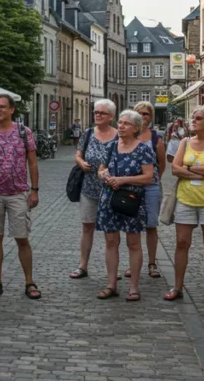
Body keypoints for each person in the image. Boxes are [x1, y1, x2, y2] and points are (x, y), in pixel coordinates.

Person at [0, 95, 41, 300]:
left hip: (18, 193)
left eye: (2, 107)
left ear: (12, 110)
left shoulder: (24, 132)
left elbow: (32, 163)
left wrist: (35, 190)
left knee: (22, 238)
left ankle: (29, 282)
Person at [165, 105, 204, 303]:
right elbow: (175, 168)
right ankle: (177, 286)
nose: (193, 121)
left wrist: (188, 169)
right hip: (186, 198)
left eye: (198, 118)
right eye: (193, 117)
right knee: (182, 242)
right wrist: (200, 170)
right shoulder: (185, 142)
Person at [95, 110, 156, 302]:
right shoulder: (111, 146)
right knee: (111, 242)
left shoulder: (143, 149)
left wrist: (122, 180)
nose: (120, 126)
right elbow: (101, 169)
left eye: (126, 124)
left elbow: (148, 177)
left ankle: (134, 287)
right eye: (120, 122)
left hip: (132, 200)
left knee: (133, 243)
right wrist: (105, 176)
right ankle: (111, 284)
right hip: (109, 198)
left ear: (136, 128)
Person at [69, 99, 118, 279]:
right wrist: (81, 163)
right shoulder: (88, 133)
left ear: (111, 117)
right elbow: (78, 154)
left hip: (111, 189)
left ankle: (112, 270)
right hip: (88, 188)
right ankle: (83, 265)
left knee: (110, 231)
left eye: (102, 113)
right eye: (96, 112)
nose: (97, 115)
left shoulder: (119, 136)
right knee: (87, 227)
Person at [130, 101, 165, 279]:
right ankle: (133, 263)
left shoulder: (155, 138)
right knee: (132, 227)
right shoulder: (127, 137)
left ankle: (152, 263)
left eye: (146, 114)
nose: (143, 117)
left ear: (151, 118)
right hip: (130, 188)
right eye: (140, 113)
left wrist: (153, 180)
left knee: (151, 225)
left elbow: (161, 163)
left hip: (151, 187)